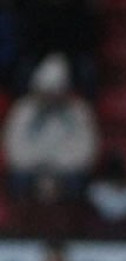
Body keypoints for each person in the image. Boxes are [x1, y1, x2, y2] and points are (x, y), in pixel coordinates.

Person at [2, 52, 100, 201]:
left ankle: (71, 221)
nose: (51, 97)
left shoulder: (79, 110)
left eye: (56, 92)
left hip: (67, 171)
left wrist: (57, 170)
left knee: (78, 184)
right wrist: (40, 169)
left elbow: (88, 149)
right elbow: (12, 146)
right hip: (31, 169)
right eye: (46, 92)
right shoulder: (23, 109)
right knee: (18, 181)